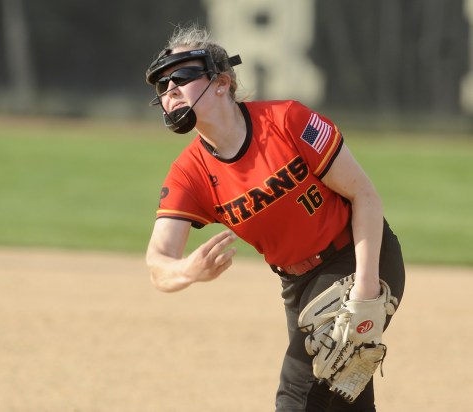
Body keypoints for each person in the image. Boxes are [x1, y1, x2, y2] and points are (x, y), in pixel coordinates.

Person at [144, 24, 406, 412]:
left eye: (181, 77)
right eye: (162, 86)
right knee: (345, 398)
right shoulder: (190, 173)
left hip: (357, 255)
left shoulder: (287, 121)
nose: (171, 91)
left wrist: (365, 289)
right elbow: (157, 262)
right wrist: (187, 270)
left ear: (222, 83)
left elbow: (364, 195)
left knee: (298, 398)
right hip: (297, 286)